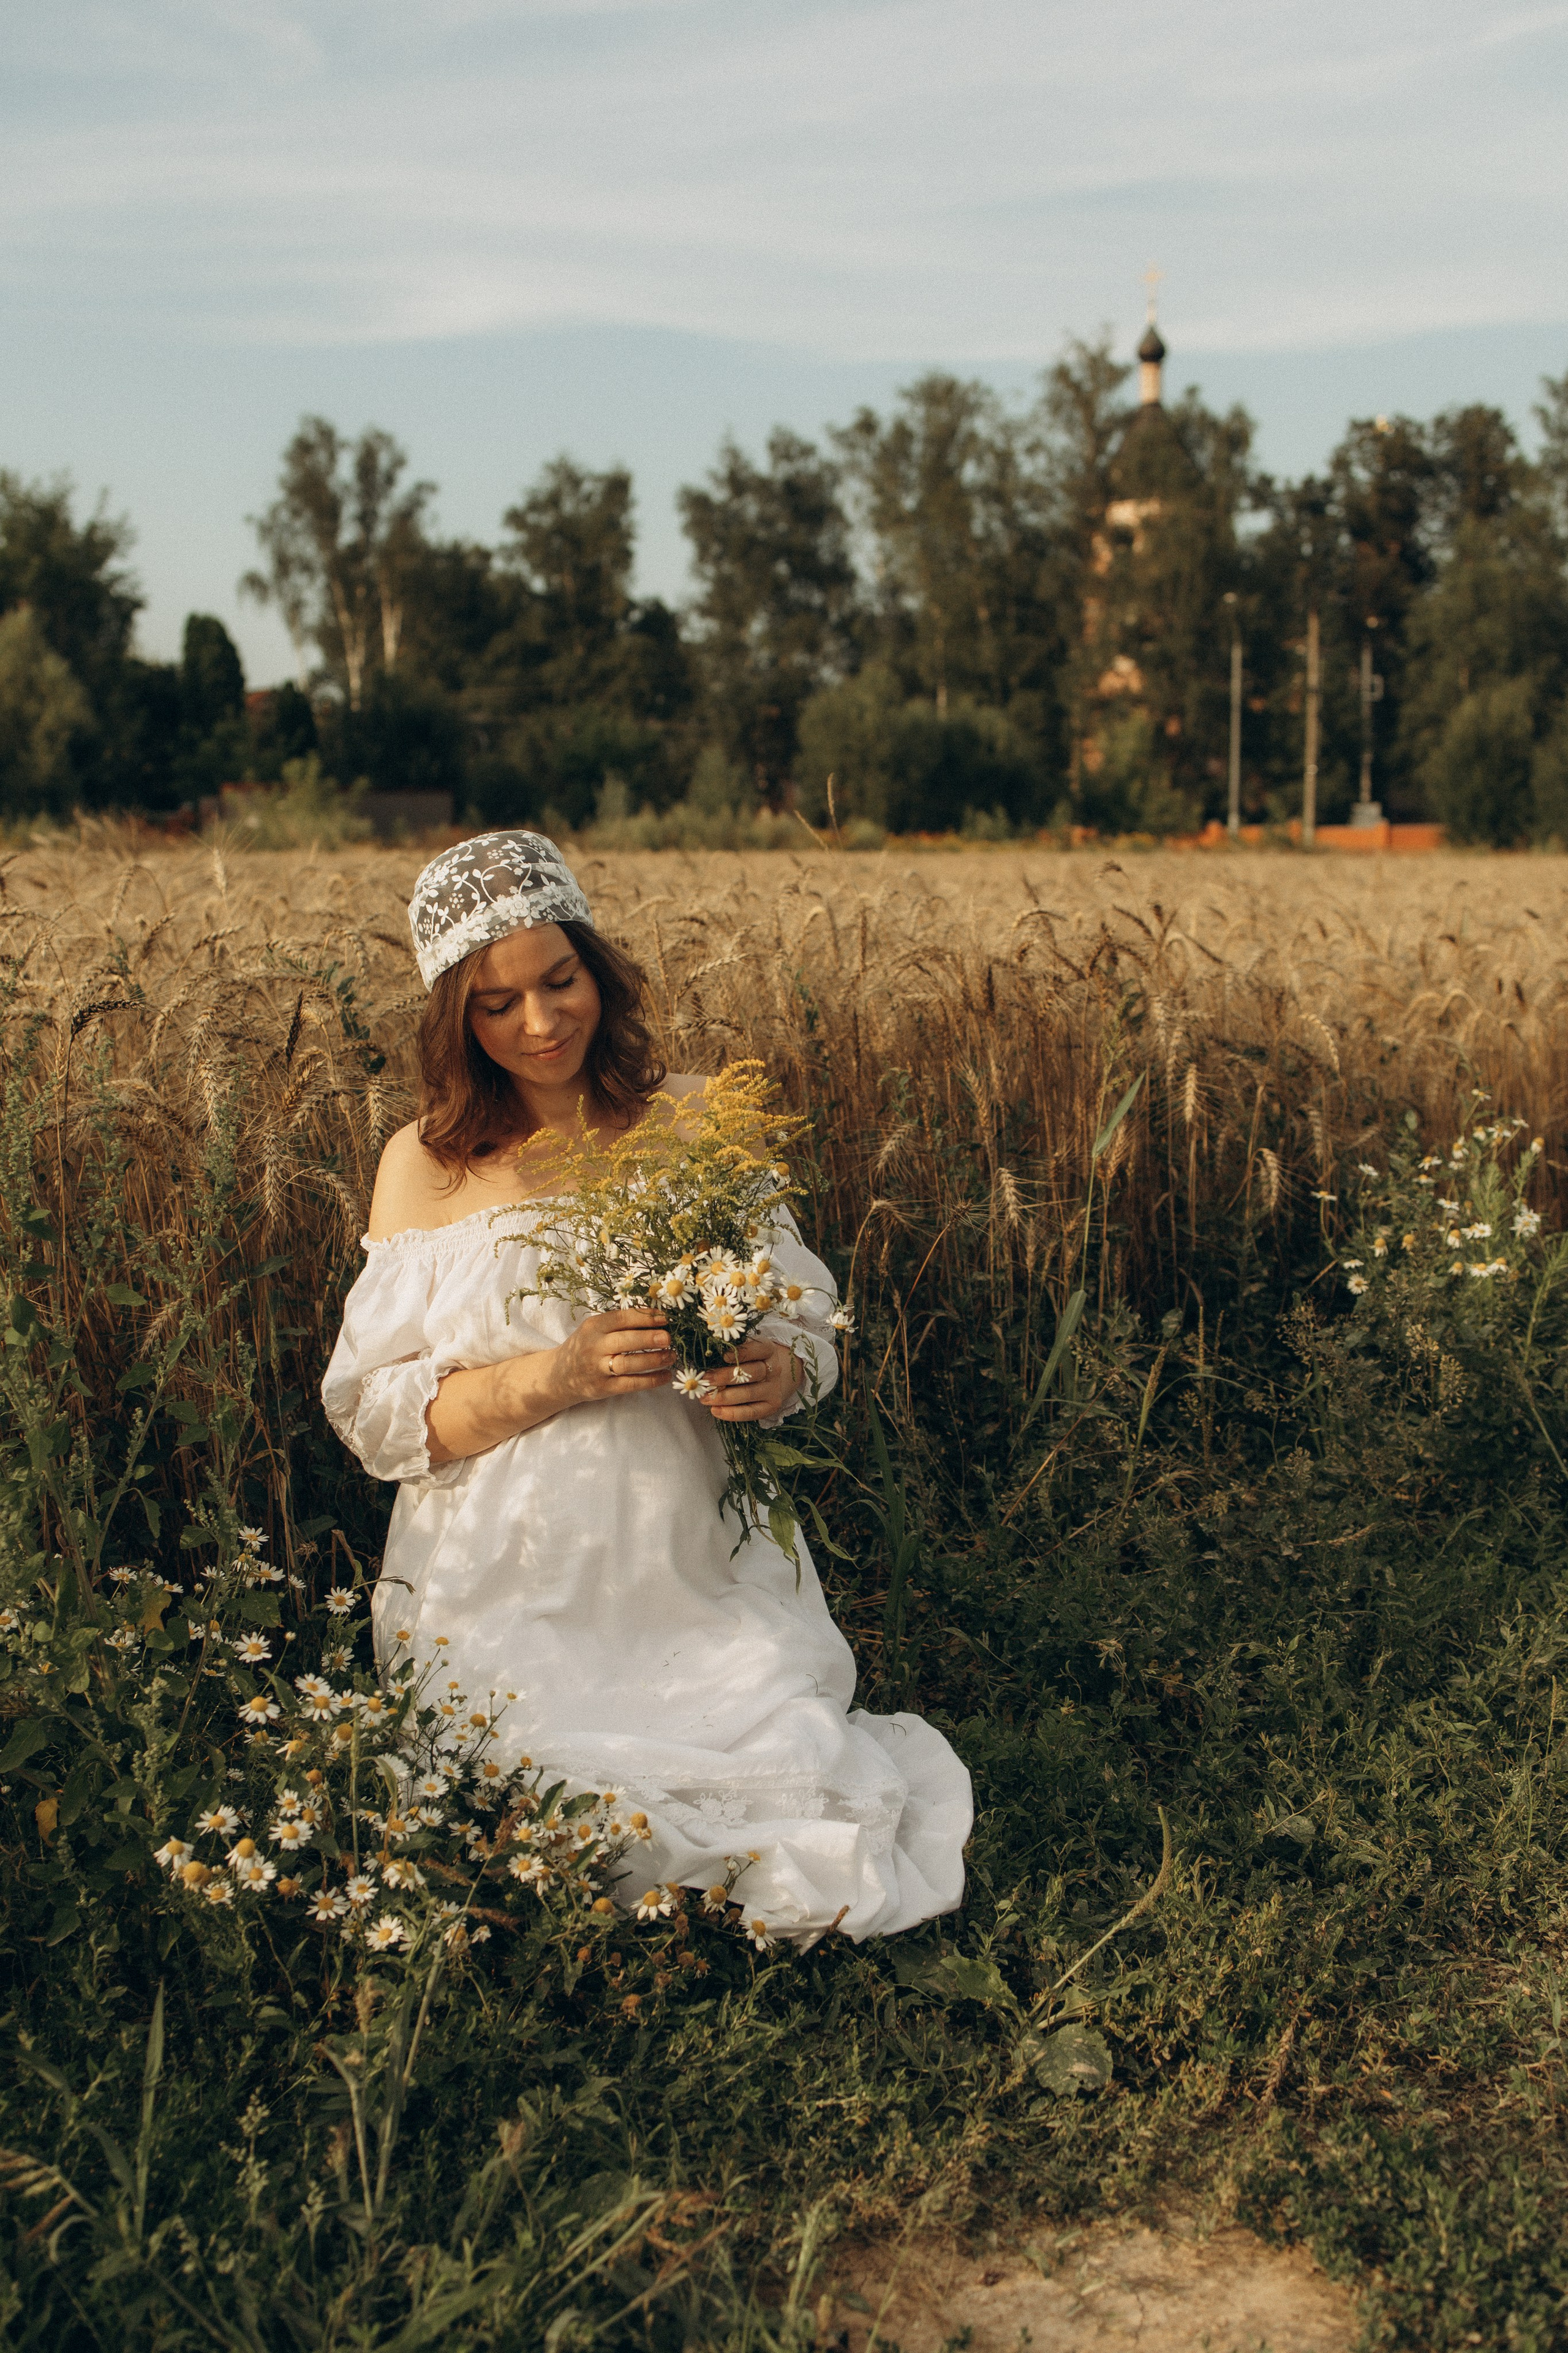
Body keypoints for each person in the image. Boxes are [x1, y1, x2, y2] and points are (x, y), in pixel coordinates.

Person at [322, 831, 971, 1944]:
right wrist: (557, 1373)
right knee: (524, 1785)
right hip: (506, 1576)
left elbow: (808, 1317)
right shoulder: (424, 1163)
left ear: (600, 970)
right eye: (497, 1003)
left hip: (697, 1561)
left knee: (783, 1762)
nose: (540, 1022)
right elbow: (385, 1421)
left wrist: (779, 1368)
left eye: (560, 980)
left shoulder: (698, 1119)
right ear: (454, 1020)